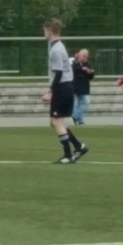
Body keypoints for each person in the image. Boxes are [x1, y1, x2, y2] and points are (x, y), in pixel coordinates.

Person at [40, 19, 88, 164]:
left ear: (49, 31)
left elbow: (59, 73)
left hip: (62, 87)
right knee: (54, 121)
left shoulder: (56, 49)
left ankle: (68, 155)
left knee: (57, 121)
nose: (44, 33)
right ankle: (79, 146)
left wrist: (50, 91)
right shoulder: (58, 46)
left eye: (44, 30)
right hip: (64, 87)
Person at [70, 49, 94, 125]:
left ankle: (75, 115)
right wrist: (83, 69)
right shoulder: (74, 63)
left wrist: (90, 73)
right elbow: (74, 69)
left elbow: (91, 76)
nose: (85, 58)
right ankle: (80, 120)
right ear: (79, 56)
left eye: (86, 56)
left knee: (86, 102)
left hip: (84, 88)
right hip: (75, 87)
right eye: (84, 56)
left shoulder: (89, 65)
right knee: (75, 105)